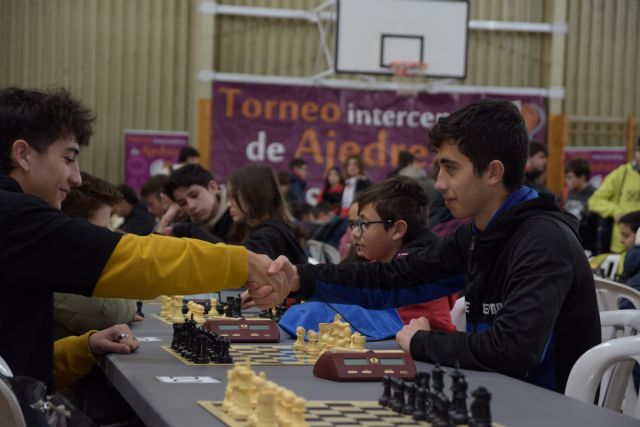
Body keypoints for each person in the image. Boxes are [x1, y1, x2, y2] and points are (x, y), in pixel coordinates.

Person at [249, 99, 601, 393]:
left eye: (451, 168)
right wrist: (299, 279)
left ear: (493, 172)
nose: (440, 183)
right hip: (497, 394)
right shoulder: (480, 233)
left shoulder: (543, 241)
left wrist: (420, 343)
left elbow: (511, 352)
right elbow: (393, 279)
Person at [0, 87, 278, 388]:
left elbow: (14, 363)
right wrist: (242, 262)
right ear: (24, 155)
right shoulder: (14, 216)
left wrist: (83, 348)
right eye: (68, 159)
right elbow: (136, 259)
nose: (76, 178)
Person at [55, 172, 141, 340]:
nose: (108, 238)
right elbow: (107, 313)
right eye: (100, 231)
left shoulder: (72, 258)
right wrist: (128, 309)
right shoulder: (52, 263)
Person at [225, 165, 307, 264]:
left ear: (254, 195)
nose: (228, 204)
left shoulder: (270, 237)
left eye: (235, 195)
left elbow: (232, 261)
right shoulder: (273, 231)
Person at [589, 138, 640, 253]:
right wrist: (615, 211)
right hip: (621, 246)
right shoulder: (621, 174)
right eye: (639, 151)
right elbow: (595, 200)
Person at [158, 164, 233, 242]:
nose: (191, 206)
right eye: (183, 203)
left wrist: (192, 231)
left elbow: (236, 253)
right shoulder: (183, 227)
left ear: (213, 187)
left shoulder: (238, 217)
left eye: (194, 195)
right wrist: (165, 221)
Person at [562, 158, 597, 253]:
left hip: (587, 244)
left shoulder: (595, 194)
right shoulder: (568, 192)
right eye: (566, 177)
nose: (567, 181)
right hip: (569, 238)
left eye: (570, 177)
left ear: (582, 177)